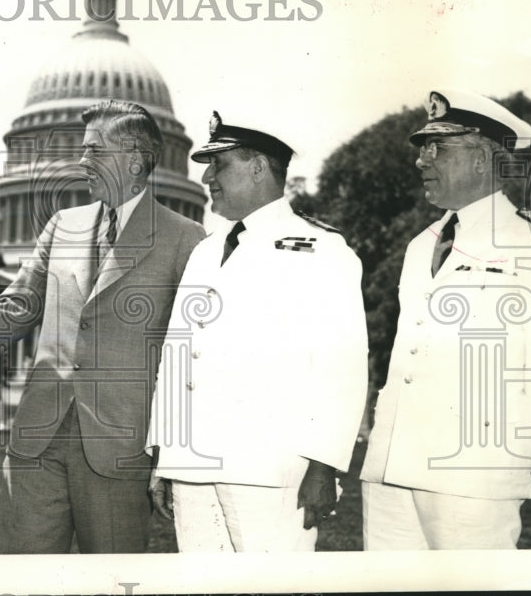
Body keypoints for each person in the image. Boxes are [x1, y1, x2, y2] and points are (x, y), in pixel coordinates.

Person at [0, 99, 205, 553]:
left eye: (94, 150)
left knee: (114, 581)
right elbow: (18, 305)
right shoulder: (62, 224)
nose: (81, 161)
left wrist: (172, 453)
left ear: (134, 159)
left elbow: (191, 360)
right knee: (17, 579)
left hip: (122, 448)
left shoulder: (186, 239)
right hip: (39, 437)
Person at [146, 110, 368, 552]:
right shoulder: (207, 251)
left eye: (219, 164)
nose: (207, 177)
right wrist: (164, 455)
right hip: (193, 463)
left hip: (270, 469)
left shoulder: (320, 249)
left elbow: (341, 366)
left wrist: (325, 464)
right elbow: (178, 355)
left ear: (259, 167)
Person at [360, 88, 531, 550]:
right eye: (423, 148)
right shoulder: (421, 245)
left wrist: (514, 455)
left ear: (483, 157)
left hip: (474, 478)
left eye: (437, 148)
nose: (422, 161)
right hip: (391, 471)